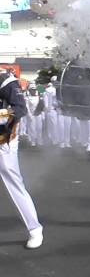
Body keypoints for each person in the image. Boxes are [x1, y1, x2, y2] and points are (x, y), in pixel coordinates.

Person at [0, 70, 44, 249]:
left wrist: (2, 115)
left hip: (3, 139)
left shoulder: (5, 80)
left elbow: (20, 108)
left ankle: (34, 228)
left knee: (13, 182)